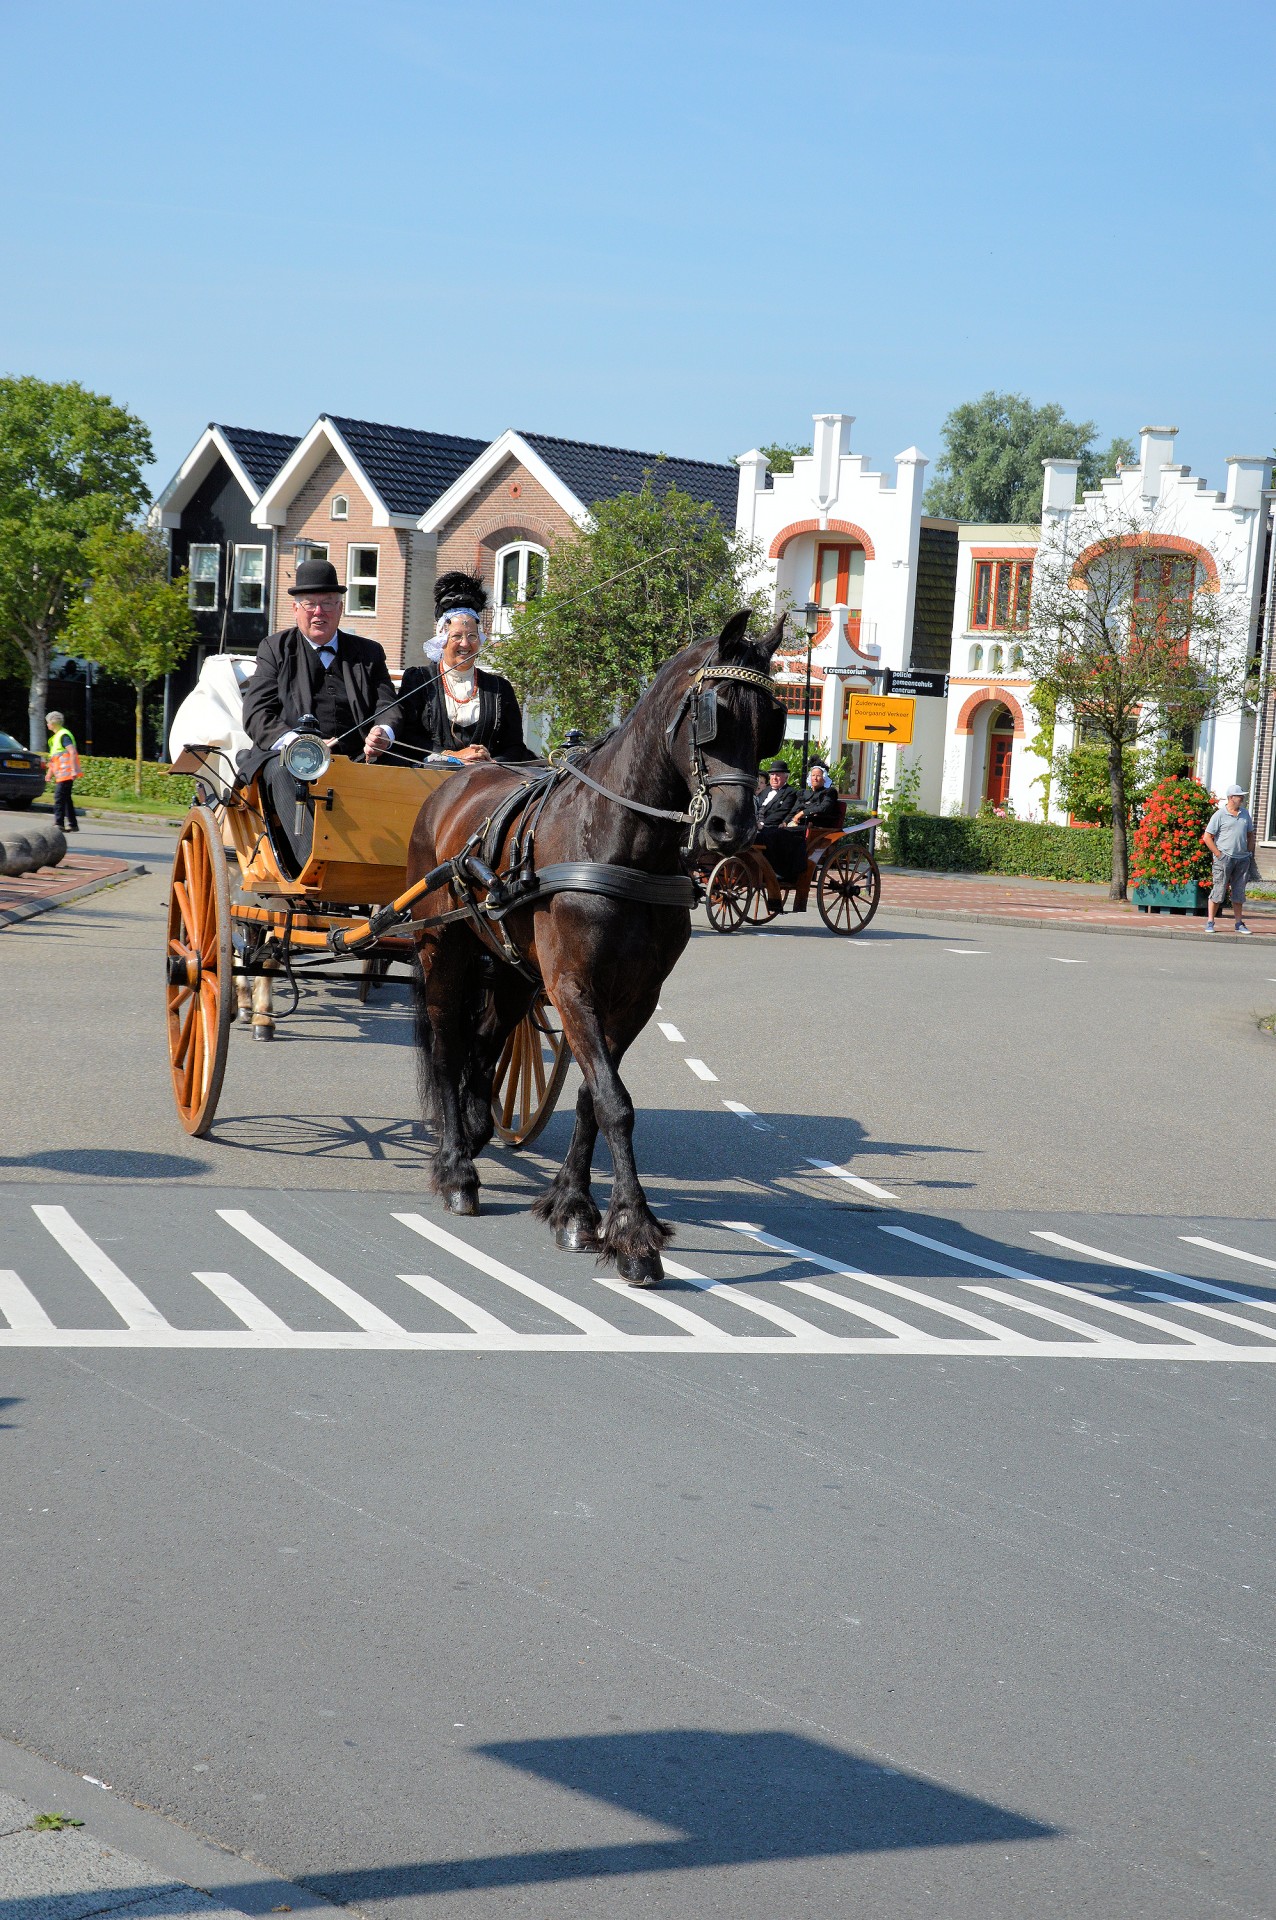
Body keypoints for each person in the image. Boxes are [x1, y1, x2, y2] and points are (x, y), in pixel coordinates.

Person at [239, 557, 401, 870]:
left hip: (357, 759)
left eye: (328, 603)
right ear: (295, 609)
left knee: (409, 773)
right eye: (310, 604)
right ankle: (315, 865)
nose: (319, 612)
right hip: (290, 757)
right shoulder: (275, 648)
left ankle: (395, 869)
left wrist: (384, 733)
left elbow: (388, 706)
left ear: (341, 608)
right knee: (285, 770)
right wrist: (296, 745)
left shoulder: (369, 653)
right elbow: (257, 711)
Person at [397, 572, 534, 764]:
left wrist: (491, 763)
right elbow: (405, 737)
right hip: (428, 784)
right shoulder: (418, 680)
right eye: (456, 636)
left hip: (487, 784)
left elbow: (514, 746)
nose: (465, 644)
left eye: (472, 636)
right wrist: (452, 756)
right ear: (442, 639)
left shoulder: (499, 688)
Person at [1202, 783, 1256, 934]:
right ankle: (1210, 921)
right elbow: (1207, 837)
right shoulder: (1219, 815)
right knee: (1219, 889)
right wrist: (1218, 854)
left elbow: (1250, 835)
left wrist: (1249, 853)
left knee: (1239, 891)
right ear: (1231, 798)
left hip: (1242, 859)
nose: (1242, 799)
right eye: (1240, 796)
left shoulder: (1245, 814)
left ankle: (1239, 923)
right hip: (1224, 858)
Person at [44, 711, 81, 833]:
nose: (47, 724)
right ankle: (73, 824)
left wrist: (74, 769)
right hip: (62, 774)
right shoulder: (56, 738)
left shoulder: (63, 735)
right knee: (66, 798)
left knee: (59, 797)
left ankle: (59, 823)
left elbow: (72, 752)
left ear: (53, 723)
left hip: (67, 773)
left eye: (48, 722)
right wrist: (49, 773)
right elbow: (55, 758)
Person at [789, 761, 841, 829]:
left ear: (824, 778)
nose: (815, 778)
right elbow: (794, 810)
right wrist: (784, 822)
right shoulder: (803, 793)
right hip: (799, 824)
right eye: (813, 775)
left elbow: (824, 808)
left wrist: (802, 812)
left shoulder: (829, 792)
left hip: (816, 826)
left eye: (818, 776)